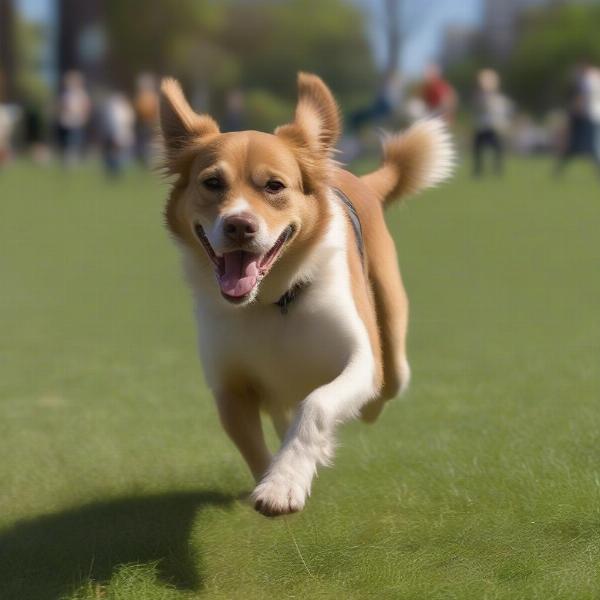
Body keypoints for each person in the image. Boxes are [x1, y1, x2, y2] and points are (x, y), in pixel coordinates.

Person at [555, 62, 600, 176]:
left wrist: (576, 109)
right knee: (587, 145)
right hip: (590, 115)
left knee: (587, 145)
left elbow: (582, 97)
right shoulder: (593, 78)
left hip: (588, 115)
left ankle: (560, 169)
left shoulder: (589, 79)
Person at [471, 69, 513, 177]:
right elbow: (478, 108)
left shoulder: (497, 98)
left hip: (494, 127)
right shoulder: (479, 97)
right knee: (478, 150)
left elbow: (502, 111)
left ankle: (497, 170)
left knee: (498, 149)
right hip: (481, 127)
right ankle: (478, 171)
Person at [56, 70, 91, 166]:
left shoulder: (81, 94)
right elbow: (60, 107)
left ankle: (72, 161)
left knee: (73, 143)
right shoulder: (65, 94)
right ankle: (66, 161)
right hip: (65, 122)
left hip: (76, 122)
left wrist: (83, 117)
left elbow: (86, 107)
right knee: (65, 143)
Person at [99, 91, 135, 177]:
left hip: (120, 135)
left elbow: (126, 122)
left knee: (118, 156)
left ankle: (116, 172)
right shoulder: (117, 110)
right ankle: (113, 172)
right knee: (114, 155)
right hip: (116, 135)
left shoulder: (122, 110)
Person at [133, 73, 159, 166]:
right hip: (141, 123)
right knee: (142, 143)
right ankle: (143, 160)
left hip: (148, 123)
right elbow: (136, 110)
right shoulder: (140, 96)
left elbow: (155, 111)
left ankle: (147, 160)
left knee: (146, 143)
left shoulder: (152, 97)